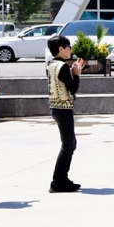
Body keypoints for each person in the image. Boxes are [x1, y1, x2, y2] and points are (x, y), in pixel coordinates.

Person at [47, 36, 86, 193]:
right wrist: (76, 73)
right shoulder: (62, 66)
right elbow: (73, 88)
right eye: (68, 46)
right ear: (61, 49)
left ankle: (63, 178)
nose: (71, 49)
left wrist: (73, 71)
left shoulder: (52, 64)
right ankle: (57, 181)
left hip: (57, 107)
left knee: (70, 144)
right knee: (68, 145)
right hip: (62, 109)